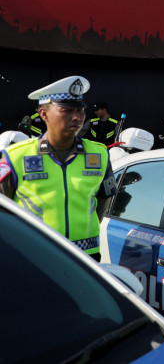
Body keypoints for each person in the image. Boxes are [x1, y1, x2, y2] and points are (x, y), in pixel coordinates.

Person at [0, 76, 117, 260]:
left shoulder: (99, 154)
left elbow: (104, 200)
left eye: (80, 110)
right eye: (67, 110)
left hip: (86, 259)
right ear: (44, 114)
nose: (77, 117)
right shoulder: (15, 156)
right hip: (34, 258)